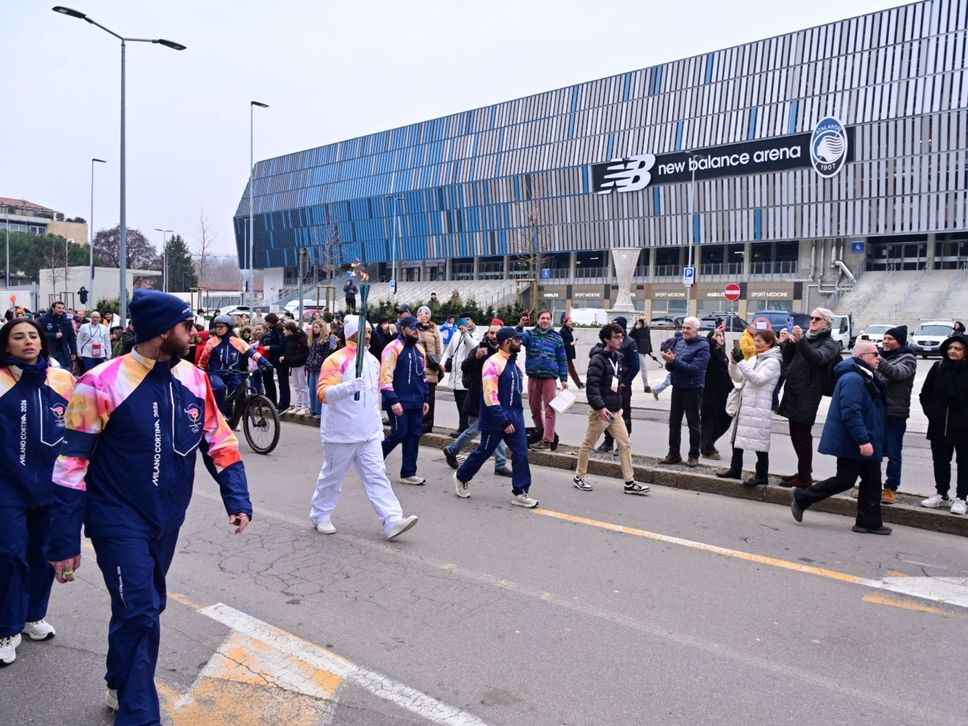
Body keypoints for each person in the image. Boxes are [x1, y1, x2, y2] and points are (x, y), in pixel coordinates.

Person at [46, 289, 254, 721]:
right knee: (140, 609)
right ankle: (140, 714)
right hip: (116, 518)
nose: (195, 333)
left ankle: (119, 679)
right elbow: (71, 465)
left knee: (143, 606)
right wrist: (63, 540)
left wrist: (236, 496)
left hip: (167, 517)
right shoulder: (100, 382)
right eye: (186, 326)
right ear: (162, 331)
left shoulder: (195, 379)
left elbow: (219, 440)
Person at [0, 319, 76, 667]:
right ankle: (6, 628)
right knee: (10, 554)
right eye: (19, 337)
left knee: (43, 553)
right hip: (7, 487)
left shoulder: (61, 379)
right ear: (7, 345)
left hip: (51, 485)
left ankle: (33, 616)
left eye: (33, 336)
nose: (28, 341)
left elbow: (82, 424)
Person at [309, 315, 419, 539]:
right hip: (341, 434)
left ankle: (392, 520)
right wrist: (348, 387)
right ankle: (320, 515)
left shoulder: (373, 361)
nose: (368, 335)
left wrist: (377, 425)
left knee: (377, 476)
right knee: (332, 478)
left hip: (368, 433)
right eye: (364, 332)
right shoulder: (335, 359)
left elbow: (374, 397)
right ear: (351, 334)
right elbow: (323, 394)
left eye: (369, 331)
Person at [791, 341, 890, 534]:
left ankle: (868, 522)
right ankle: (802, 497)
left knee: (872, 480)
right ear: (861, 357)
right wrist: (862, 439)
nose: (879, 358)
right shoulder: (853, 378)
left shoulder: (864, 375)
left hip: (867, 437)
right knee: (845, 479)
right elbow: (851, 411)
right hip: (855, 440)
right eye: (875, 354)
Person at [453, 327, 537, 508]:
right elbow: (489, 395)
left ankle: (521, 492)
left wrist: (515, 417)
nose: (520, 342)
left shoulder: (514, 362)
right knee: (484, 451)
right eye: (517, 339)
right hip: (496, 418)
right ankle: (461, 476)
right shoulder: (492, 363)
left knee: (521, 452)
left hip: (515, 417)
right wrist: (503, 420)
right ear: (507, 341)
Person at [573, 323, 650, 495]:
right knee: (589, 444)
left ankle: (629, 482)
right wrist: (600, 408)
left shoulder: (618, 357)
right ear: (606, 339)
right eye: (616, 337)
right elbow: (592, 387)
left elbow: (615, 381)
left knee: (625, 444)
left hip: (615, 411)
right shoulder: (597, 360)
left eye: (621, 337)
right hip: (601, 412)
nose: (620, 340)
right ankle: (579, 476)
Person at [776, 307, 842, 488]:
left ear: (827, 324)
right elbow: (787, 358)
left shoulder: (830, 343)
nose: (812, 321)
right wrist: (790, 342)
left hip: (809, 392)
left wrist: (801, 341)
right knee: (795, 434)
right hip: (794, 389)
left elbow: (818, 358)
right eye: (812, 318)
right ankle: (803, 471)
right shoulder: (807, 338)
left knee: (803, 435)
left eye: (817, 319)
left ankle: (805, 477)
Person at [442, 321, 512, 477]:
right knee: (474, 429)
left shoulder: (505, 351)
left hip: (495, 397)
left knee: (499, 428)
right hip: (478, 397)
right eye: (491, 332)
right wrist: (475, 357)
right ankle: (451, 450)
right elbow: (464, 367)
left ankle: (500, 464)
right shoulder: (480, 348)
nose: (494, 336)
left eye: (497, 333)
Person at [716, 330, 782, 486]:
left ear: (769, 343)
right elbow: (739, 377)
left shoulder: (773, 362)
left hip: (759, 406)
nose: (755, 343)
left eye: (759, 341)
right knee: (737, 438)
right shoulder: (754, 358)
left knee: (760, 442)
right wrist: (733, 363)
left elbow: (757, 379)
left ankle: (762, 475)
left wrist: (741, 362)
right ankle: (735, 469)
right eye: (755, 340)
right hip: (745, 404)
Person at [918, 333, 968, 514]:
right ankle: (942, 495)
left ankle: (962, 498)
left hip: (964, 427)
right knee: (940, 461)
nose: (953, 351)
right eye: (950, 348)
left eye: (958, 349)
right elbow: (925, 395)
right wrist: (933, 415)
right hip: (941, 425)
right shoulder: (938, 367)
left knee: (964, 462)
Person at [380, 315, 430, 485]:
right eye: (412, 327)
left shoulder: (420, 349)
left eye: (418, 328)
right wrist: (393, 400)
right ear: (403, 329)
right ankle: (373, 460)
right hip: (398, 401)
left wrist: (425, 399)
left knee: (414, 435)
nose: (416, 331)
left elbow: (422, 376)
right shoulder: (392, 347)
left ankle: (408, 473)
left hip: (417, 401)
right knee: (399, 432)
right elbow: (385, 377)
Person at [197, 314, 272, 417]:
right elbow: (203, 360)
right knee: (220, 388)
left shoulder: (238, 342)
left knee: (240, 392)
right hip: (216, 373)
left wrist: (266, 363)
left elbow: (252, 353)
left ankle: (233, 416)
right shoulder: (211, 342)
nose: (218, 329)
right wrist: (199, 371)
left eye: (221, 327)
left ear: (228, 327)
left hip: (233, 373)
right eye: (216, 327)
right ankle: (220, 415)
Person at [659, 317, 710, 467]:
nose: (685, 331)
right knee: (674, 422)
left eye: (688, 328)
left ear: (696, 330)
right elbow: (672, 367)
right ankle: (673, 454)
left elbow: (694, 370)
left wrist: (674, 361)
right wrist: (669, 361)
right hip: (677, 386)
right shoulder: (680, 342)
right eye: (683, 328)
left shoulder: (703, 346)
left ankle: (694, 455)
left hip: (693, 389)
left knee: (693, 424)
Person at [876, 325, 917, 504]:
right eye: (884, 338)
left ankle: (891, 488)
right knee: (874, 451)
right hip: (877, 411)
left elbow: (897, 373)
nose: (885, 342)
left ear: (899, 341)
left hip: (896, 414)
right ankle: (871, 485)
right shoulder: (881, 356)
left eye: (890, 339)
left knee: (893, 453)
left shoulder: (908, 358)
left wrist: (878, 361)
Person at [516, 309, 568, 450]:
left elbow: (562, 359)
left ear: (550, 320)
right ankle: (541, 432)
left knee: (550, 409)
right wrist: (520, 326)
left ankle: (547, 440)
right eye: (542, 318)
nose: (545, 321)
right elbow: (517, 339)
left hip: (549, 377)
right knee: (534, 408)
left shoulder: (557, 338)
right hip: (533, 376)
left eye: (547, 318)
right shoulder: (530, 335)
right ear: (538, 320)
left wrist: (564, 378)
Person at [595, 316, 639, 453]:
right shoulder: (609, 341)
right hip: (609, 385)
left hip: (623, 385)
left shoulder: (630, 343)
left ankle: (624, 442)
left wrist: (625, 383)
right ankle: (608, 441)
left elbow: (635, 366)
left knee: (624, 413)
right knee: (608, 413)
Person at [440, 314, 481, 435]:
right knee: (459, 403)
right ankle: (462, 428)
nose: (466, 322)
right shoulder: (456, 333)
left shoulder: (475, 334)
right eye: (463, 320)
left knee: (465, 404)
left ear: (472, 321)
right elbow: (449, 350)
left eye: (468, 319)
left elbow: (475, 347)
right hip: (455, 374)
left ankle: (464, 429)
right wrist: (443, 362)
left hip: (467, 375)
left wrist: (466, 334)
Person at [700, 327, 732, 460]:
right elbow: (709, 348)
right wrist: (712, 340)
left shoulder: (721, 352)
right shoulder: (710, 351)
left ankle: (707, 443)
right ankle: (707, 449)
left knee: (725, 419)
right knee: (709, 422)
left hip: (722, 394)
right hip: (710, 394)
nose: (722, 338)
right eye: (719, 336)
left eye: (723, 336)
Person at [415, 305, 443, 433]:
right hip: (418, 367)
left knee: (429, 399)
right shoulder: (415, 328)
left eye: (426, 313)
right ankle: (417, 422)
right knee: (418, 398)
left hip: (431, 369)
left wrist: (437, 362)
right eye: (421, 313)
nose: (424, 316)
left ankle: (427, 425)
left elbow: (438, 349)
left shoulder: (434, 329)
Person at [281, 320, 310, 415]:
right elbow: (288, 350)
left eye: (285, 329)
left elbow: (305, 352)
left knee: (303, 385)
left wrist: (293, 359)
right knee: (296, 386)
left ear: (290, 330)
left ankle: (305, 406)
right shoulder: (289, 338)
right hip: (293, 365)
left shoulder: (301, 338)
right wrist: (284, 356)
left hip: (301, 364)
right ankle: (299, 404)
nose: (284, 331)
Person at [305, 320, 332, 417]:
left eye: (317, 327)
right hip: (312, 367)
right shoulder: (313, 340)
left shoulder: (326, 340)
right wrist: (307, 365)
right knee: (312, 389)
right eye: (314, 327)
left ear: (322, 328)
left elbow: (327, 355)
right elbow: (310, 354)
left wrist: (321, 363)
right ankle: (313, 409)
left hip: (321, 368)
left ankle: (319, 411)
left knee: (319, 390)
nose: (314, 329)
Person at [39, 301, 77, 371]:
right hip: (49, 351)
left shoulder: (67, 321)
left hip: (63, 352)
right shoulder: (43, 320)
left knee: (65, 371)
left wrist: (73, 352)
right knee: (49, 372)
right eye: (59, 308)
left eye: (62, 308)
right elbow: (39, 334)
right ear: (53, 308)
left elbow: (71, 338)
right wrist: (54, 335)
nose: (61, 310)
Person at [262, 313, 287, 409]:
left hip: (280, 359)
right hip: (273, 358)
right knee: (270, 381)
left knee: (283, 383)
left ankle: (283, 404)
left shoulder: (279, 331)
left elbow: (281, 346)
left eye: (267, 322)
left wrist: (270, 347)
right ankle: (272, 401)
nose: (266, 323)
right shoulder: (272, 331)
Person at [558, 316, 584, 389]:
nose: (571, 322)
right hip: (565, 354)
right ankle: (578, 385)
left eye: (571, 321)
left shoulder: (568, 330)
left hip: (568, 354)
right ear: (565, 322)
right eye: (569, 321)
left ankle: (579, 384)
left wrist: (572, 342)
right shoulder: (563, 331)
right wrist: (570, 343)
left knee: (570, 369)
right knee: (569, 369)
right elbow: (561, 343)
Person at [630, 317, 654, 392]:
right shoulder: (636, 327)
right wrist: (635, 328)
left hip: (645, 351)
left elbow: (648, 340)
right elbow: (629, 337)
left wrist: (650, 351)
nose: (642, 321)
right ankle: (646, 386)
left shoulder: (647, 328)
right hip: (638, 351)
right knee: (644, 368)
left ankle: (627, 381)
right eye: (641, 319)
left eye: (644, 319)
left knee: (636, 368)